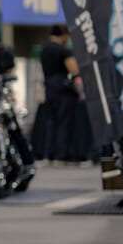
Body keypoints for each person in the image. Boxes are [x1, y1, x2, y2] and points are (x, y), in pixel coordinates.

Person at [39, 25, 80, 164]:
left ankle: (48, 154)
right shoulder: (63, 51)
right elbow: (74, 70)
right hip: (63, 89)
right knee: (64, 122)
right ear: (63, 35)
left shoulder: (44, 49)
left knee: (51, 122)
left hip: (49, 87)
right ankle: (61, 155)